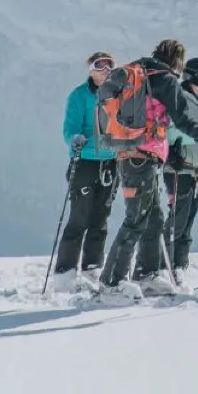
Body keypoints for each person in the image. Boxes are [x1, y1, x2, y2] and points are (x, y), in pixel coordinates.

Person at [99, 39, 198, 297]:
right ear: (178, 61)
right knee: (136, 218)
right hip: (142, 156)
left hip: (132, 154)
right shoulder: (165, 79)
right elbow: (183, 119)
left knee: (154, 218)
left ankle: (147, 275)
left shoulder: (138, 72)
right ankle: (110, 284)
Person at [54, 51, 119, 290]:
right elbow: (69, 128)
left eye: (109, 66)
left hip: (110, 161)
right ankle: (65, 270)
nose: (105, 70)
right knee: (79, 216)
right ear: (90, 70)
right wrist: (75, 139)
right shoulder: (79, 96)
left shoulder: (117, 95)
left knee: (100, 217)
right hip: (85, 161)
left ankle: (92, 267)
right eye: (99, 66)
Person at [162, 56, 198, 286]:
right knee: (178, 218)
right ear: (197, 76)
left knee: (189, 217)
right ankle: (163, 265)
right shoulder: (180, 97)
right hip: (179, 165)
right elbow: (169, 129)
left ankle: (180, 263)